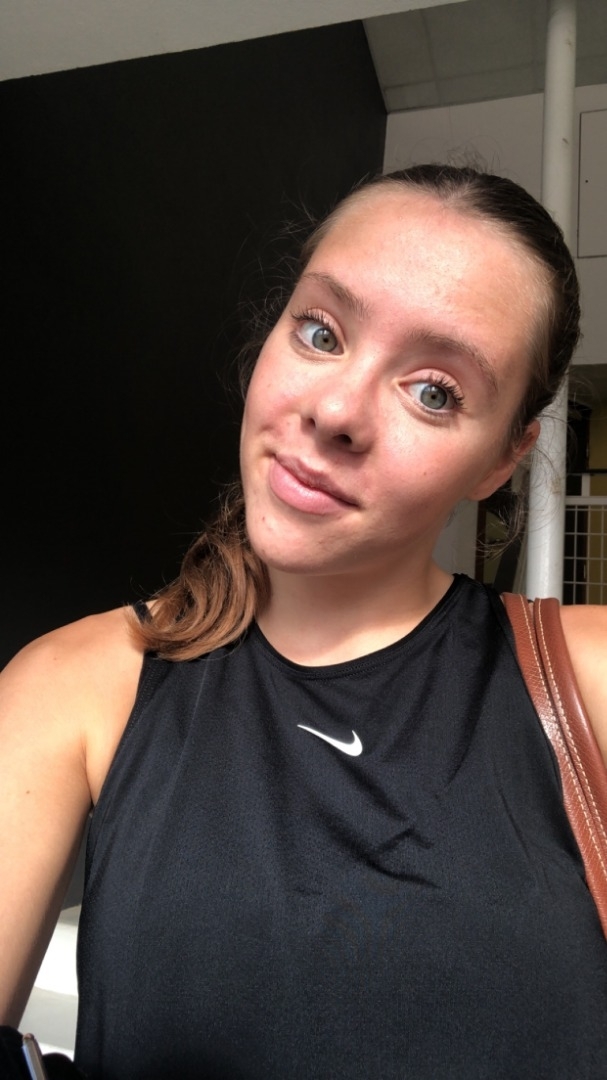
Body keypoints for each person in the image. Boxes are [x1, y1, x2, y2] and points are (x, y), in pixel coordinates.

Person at [1, 163, 607, 1080]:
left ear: (502, 458)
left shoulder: (584, 681)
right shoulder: (77, 686)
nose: (333, 412)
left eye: (433, 390)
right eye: (320, 332)